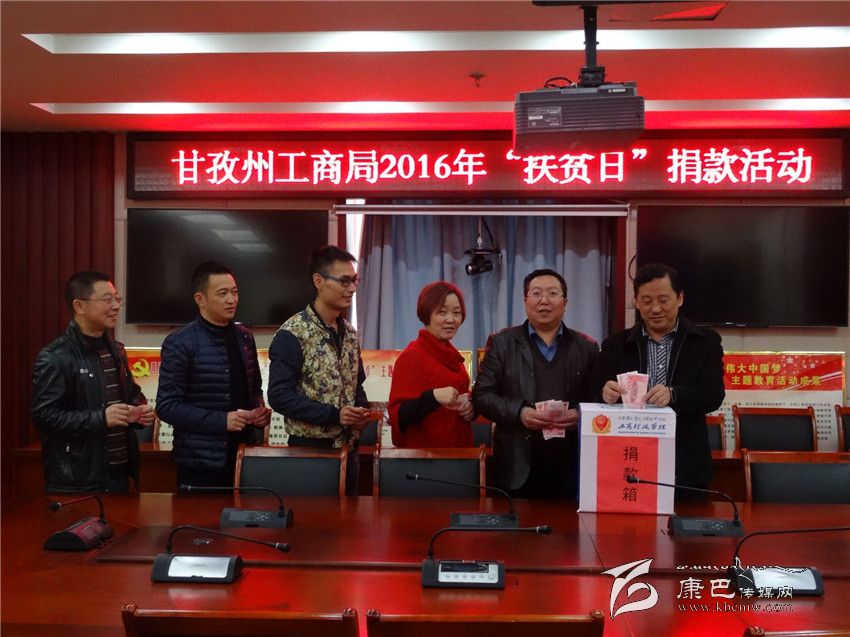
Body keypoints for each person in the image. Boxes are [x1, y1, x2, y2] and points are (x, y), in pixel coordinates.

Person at [592, 262, 725, 492]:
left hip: (686, 463)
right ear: (636, 301)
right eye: (646, 301)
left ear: (679, 298)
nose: (655, 309)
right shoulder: (616, 345)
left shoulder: (705, 342)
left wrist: (674, 394)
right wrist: (604, 393)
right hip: (629, 459)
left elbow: (713, 395)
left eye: (663, 300)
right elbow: (593, 392)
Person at [472, 268, 599, 499]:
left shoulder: (587, 347)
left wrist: (581, 414)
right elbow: (482, 395)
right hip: (515, 466)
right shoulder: (502, 343)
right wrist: (519, 412)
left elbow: (598, 399)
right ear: (525, 301)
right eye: (537, 293)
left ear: (565, 302)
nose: (544, 300)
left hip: (571, 465)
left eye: (552, 293)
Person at [31, 271, 155, 493]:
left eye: (117, 299)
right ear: (79, 306)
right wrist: (101, 418)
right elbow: (44, 416)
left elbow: (131, 392)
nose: (116, 306)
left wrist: (139, 409)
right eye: (107, 300)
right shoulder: (56, 356)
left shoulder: (116, 350)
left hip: (121, 473)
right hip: (79, 481)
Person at [156, 261, 271, 488]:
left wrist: (259, 411)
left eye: (234, 292)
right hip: (200, 461)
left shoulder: (245, 337)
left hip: (244, 455)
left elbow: (254, 389)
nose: (231, 299)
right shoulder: (180, 342)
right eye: (222, 293)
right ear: (200, 299)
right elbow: (167, 406)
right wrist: (222, 421)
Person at [267, 245, 370, 495]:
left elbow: (357, 384)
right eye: (344, 281)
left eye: (354, 280)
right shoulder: (292, 333)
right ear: (318, 281)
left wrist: (360, 410)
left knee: (350, 516)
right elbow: (279, 396)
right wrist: (334, 415)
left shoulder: (350, 333)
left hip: (349, 448)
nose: (352, 288)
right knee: (312, 517)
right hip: (309, 451)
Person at [388, 281, 475, 447]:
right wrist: (433, 397)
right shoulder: (412, 356)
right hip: (426, 456)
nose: (451, 319)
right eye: (442, 312)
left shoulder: (453, 356)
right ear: (427, 313)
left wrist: (470, 408)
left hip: (459, 451)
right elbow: (398, 415)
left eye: (457, 313)